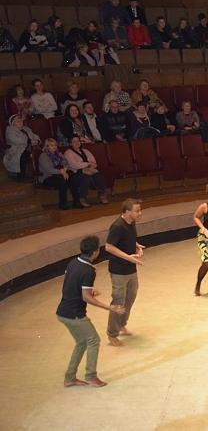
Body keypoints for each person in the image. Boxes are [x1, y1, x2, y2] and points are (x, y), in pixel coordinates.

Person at [56, 235, 126, 388]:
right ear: (95, 252)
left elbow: (71, 284)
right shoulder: (89, 270)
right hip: (74, 314)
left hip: (62, 311)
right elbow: (86, 297)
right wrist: (110, 307)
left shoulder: (73, 262)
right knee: (93, 340)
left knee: (82, 342)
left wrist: (90, 292)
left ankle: (70, 378)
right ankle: (91, 377)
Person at [105, 198, 145, 347]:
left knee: (130, 298)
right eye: (137, 211)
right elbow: (109, 247)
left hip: (130, 268)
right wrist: (129, 257)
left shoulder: (131, 222)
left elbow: (129, 239)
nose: (140, 213)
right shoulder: (117, 226)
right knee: (118, 301)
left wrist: (137, 246)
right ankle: (112, 333)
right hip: (119, 271)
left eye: (140, 210)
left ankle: (122, 324)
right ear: (127, 212)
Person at [64, 135, 109, 205]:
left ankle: (102, 195)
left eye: (78, 141)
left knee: (98, 175)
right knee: (85, 177)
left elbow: (94, 162)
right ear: (70, 143)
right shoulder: (68, 153)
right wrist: (88, 164)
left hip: (89, 170)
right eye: (74, 141)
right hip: (75, 173)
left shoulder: (86, 151)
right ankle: (82, 198)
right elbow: (74, 165)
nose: (77, 143)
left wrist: (90, 168)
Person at [38, 138, 81, 210]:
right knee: (62, 182)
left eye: (55, 145)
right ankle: (63, 204)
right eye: (51, 145)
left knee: (74, 178)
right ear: (47, 146)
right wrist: (61, 172)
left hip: (60, 174)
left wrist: (65, 169)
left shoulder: (59, 154)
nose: (54, 147)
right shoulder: (43, 156)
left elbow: (66, 162)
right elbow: (49, 170)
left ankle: (76, 202)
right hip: (48, 177)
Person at [3, 114, 40, 180]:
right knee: (24, 155)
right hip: (16, 149)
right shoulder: (10, 130)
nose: (20, 123)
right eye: (18, 121)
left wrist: (37, 140)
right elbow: (16, 140)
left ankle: (37, 173)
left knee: (38, 152)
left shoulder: (26, 128)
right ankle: (21, 176)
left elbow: (34, 135)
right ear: (13, 123)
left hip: (28, 147)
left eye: (21, 121)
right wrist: (30, 141)